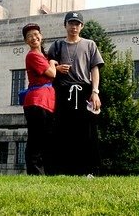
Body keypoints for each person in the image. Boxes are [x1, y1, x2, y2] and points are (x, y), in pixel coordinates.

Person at [47, 11, 104, 176]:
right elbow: (48, 70)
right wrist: (57, 69)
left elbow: (95, 69)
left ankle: (89, 171)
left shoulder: (90, 44)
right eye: (71, 23)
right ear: (65, 25)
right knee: (63, 131)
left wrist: (95, 92)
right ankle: (62, 170)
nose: (74, 27)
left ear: (82, 26)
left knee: (87, 132)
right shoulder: (57, 46)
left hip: (85, 90)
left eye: (77, 24)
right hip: (63, 92)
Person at [21, 22, 57, 175]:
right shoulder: (33, 55)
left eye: (36, 34)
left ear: (41, 36)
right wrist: (52, 64)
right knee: (36, 139)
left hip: (46, 102)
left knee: (44, 139)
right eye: (29, 36)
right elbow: (52, 74)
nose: (33, 38)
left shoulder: (42, 55)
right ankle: (35, 174)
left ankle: (44, 173)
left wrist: (53, 64)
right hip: (37, 102)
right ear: (26, 41)